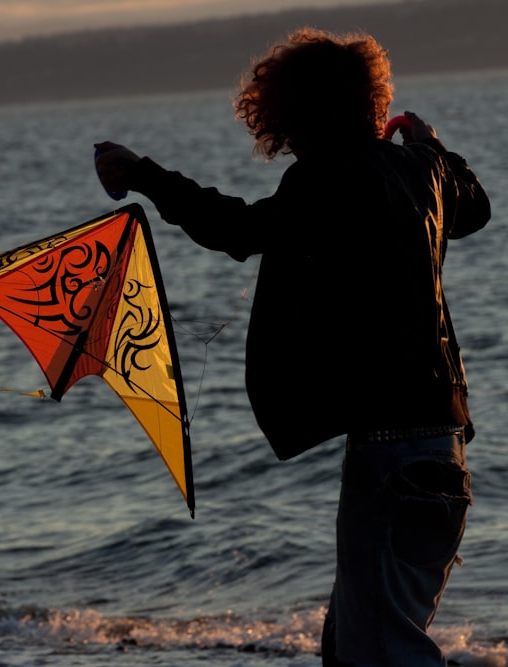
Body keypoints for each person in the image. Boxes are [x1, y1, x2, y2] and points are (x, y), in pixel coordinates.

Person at [94, 28, 490, 666]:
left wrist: (143, 175)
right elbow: (473, 208)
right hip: (445, 452)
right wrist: (432, 145)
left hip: (391, 461)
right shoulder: (423, 170)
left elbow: (238, 229)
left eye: (290, 122)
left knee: (382, 652)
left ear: (307, 114)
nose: (288, 140)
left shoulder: (326, 179)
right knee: (351, 646)